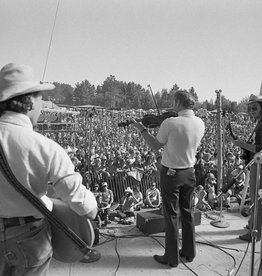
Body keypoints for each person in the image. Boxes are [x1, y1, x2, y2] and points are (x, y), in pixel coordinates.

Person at [0, 63, 100, 276]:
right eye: (40, 98)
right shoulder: (44, 146)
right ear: (29, 101)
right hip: (29, 237)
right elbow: (83, 205)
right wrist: (93, 207)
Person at [131, 90, 205, 267]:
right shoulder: (200, 122)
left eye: (174, 101)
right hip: (189, 172)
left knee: (171, 215)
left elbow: (155, 146)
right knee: (187, 212)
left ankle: (171, 258)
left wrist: (141, 129)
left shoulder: (170, 122)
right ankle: (189, 252)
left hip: (172, 173)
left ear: (179, 103)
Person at [229, 94, 262, 242]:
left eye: (255, 108)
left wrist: (241, 144)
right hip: (255, 164)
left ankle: (255, 232)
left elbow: (259, 148)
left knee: (257, 199)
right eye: (249, 108)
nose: (251, 111)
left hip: (259, 165)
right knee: (256, 197)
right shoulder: (259, 123)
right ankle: (252, 225)